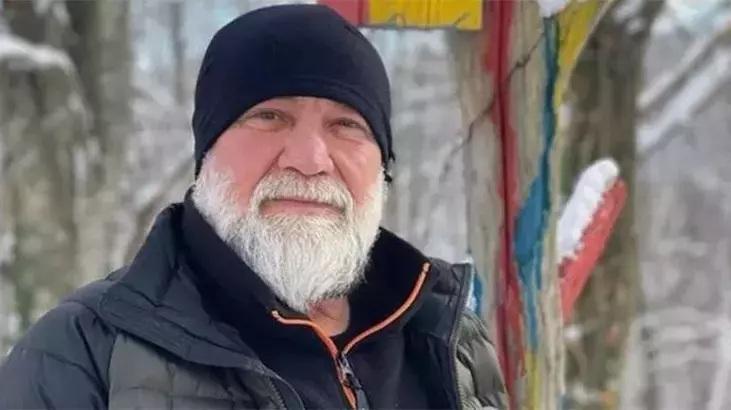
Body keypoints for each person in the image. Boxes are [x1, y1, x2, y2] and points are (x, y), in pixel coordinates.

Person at [0, 4, 506, 409]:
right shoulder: (85, 350)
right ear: (207, 154)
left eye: (346, 125)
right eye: (270, 117)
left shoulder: (451, 337)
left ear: (382, 166)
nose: (310, 160)